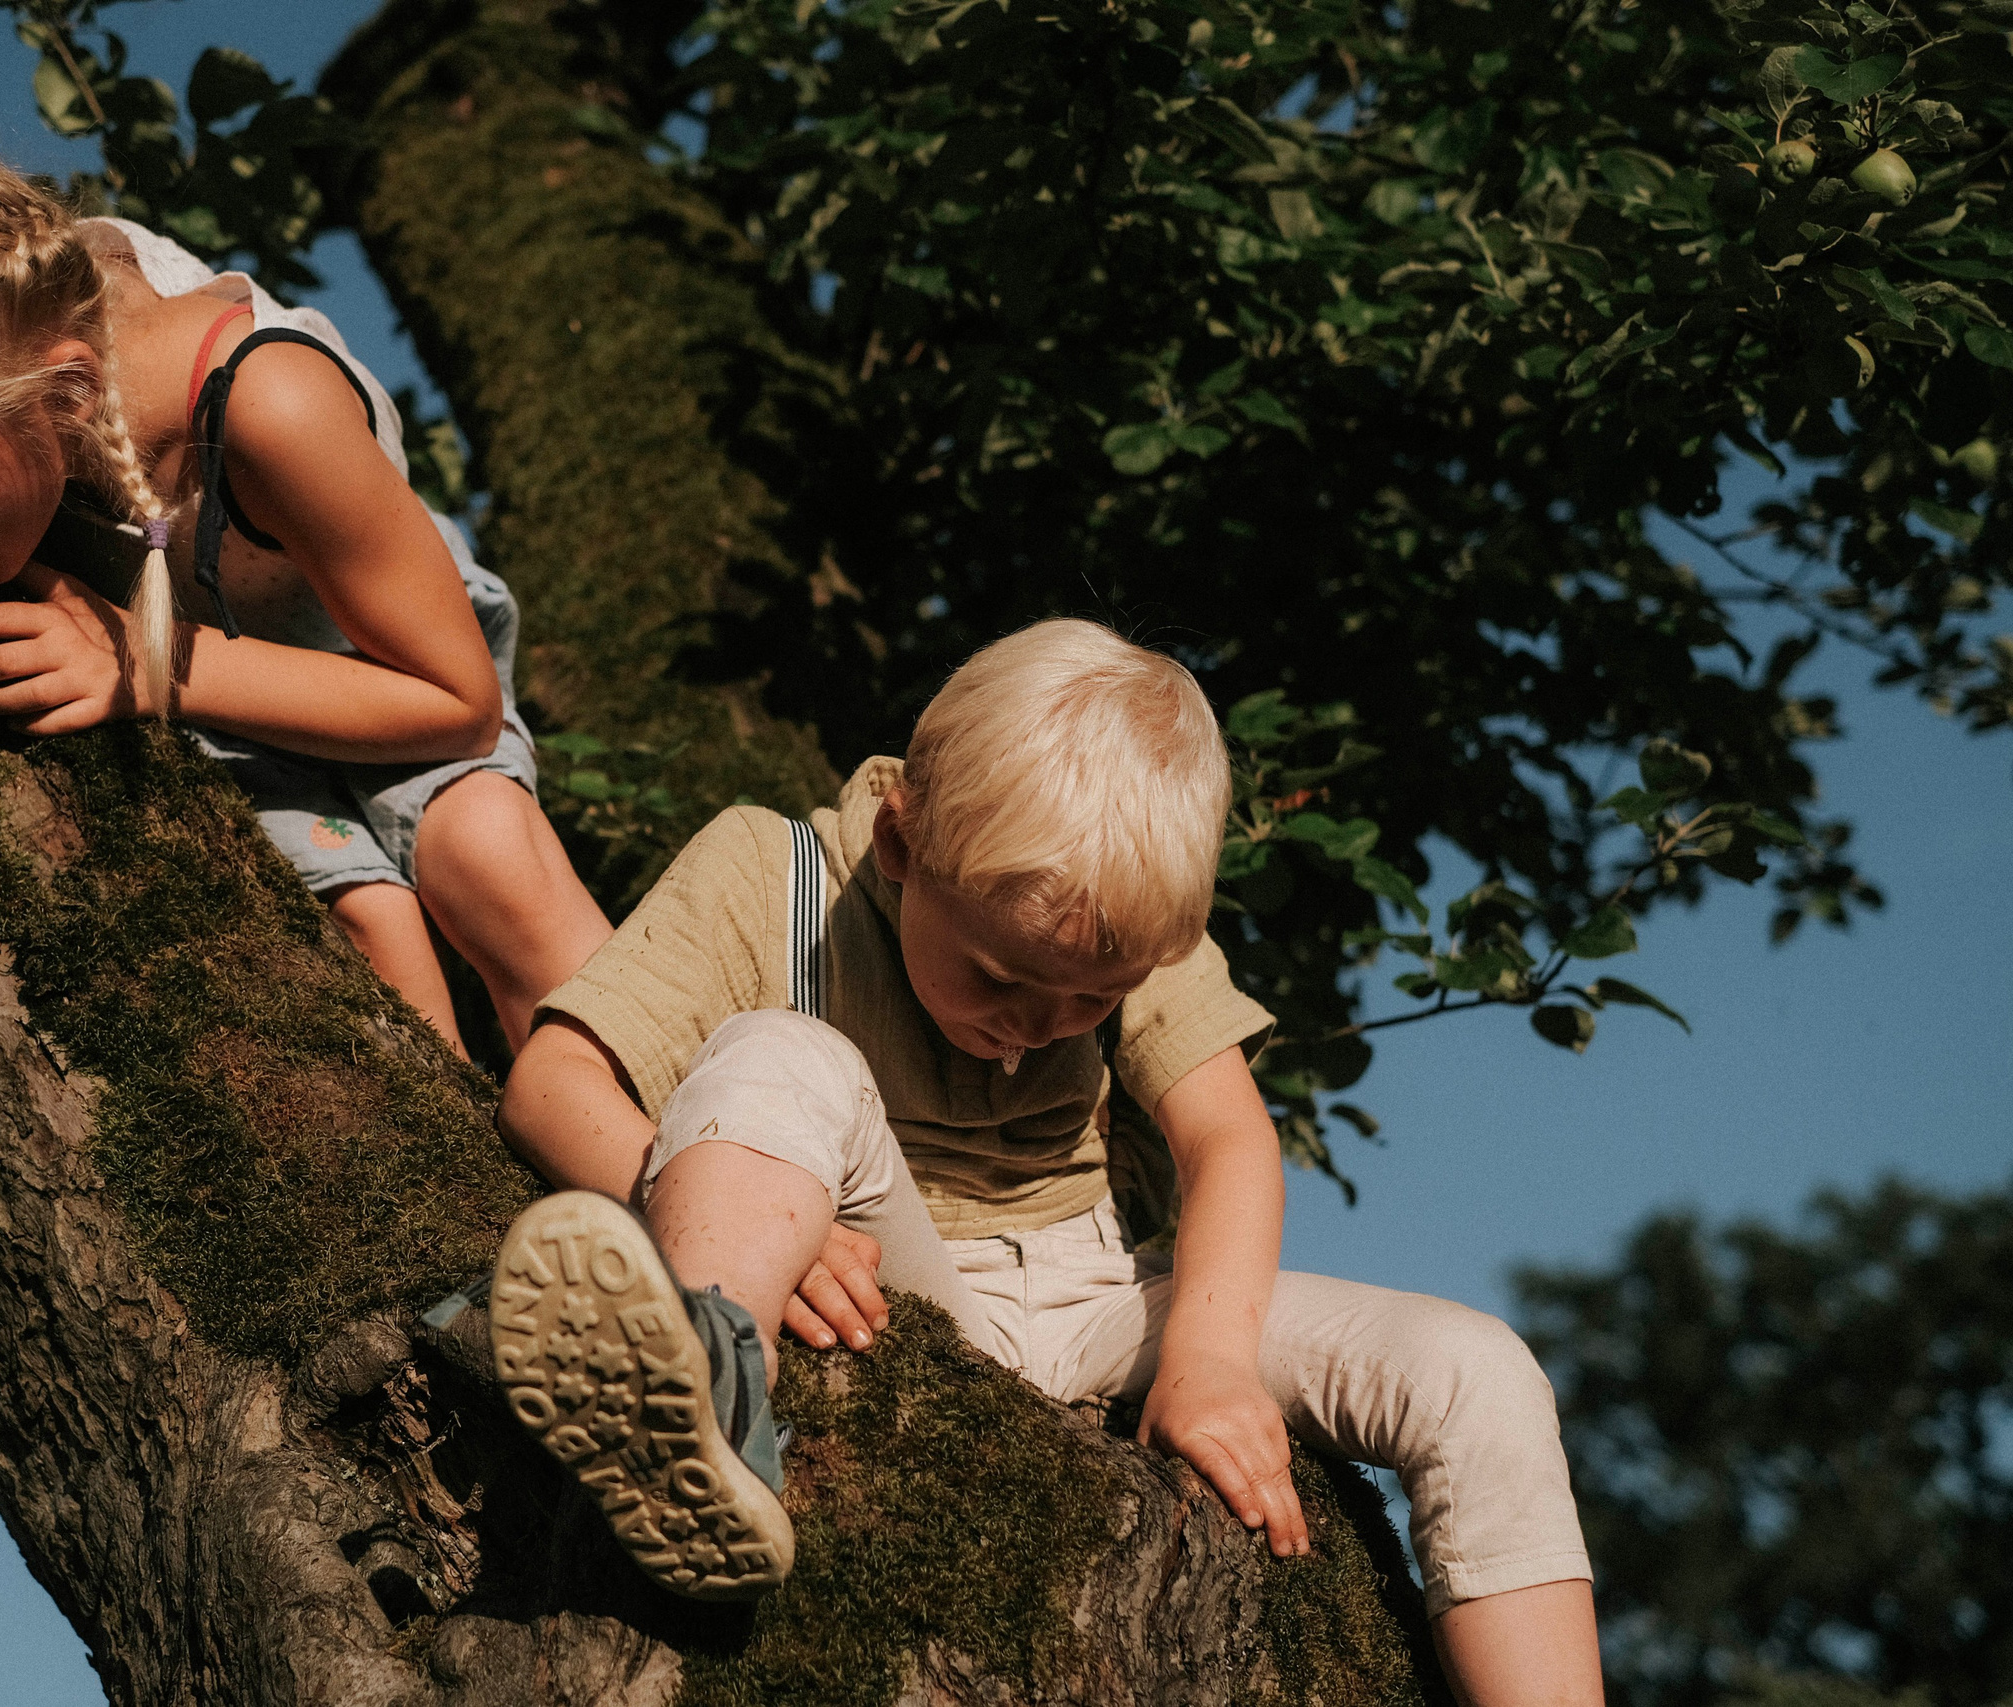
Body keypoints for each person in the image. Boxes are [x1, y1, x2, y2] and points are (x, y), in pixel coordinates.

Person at [486, 619, 1603, 1703]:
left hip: (1099, 1293)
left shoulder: (1117, 909)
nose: (1038, 1023)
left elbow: (1227, 1143)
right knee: (784, 1051)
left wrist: (1208, 1358)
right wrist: (728, 1206)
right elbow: (551, 1085)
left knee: (1476, 1368)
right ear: (898, 845)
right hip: (901, 1271)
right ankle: (702, 1388)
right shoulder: (770, 875)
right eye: (998, 977)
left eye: (1091, 1001)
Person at [0, 138, 612, 1058]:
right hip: (231, 727)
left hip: (384, 672)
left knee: (494, 855)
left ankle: (679, 1153)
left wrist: (145, 661)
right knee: (378, 951)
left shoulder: (266, 401)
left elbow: (459, 705)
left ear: (67, 389)